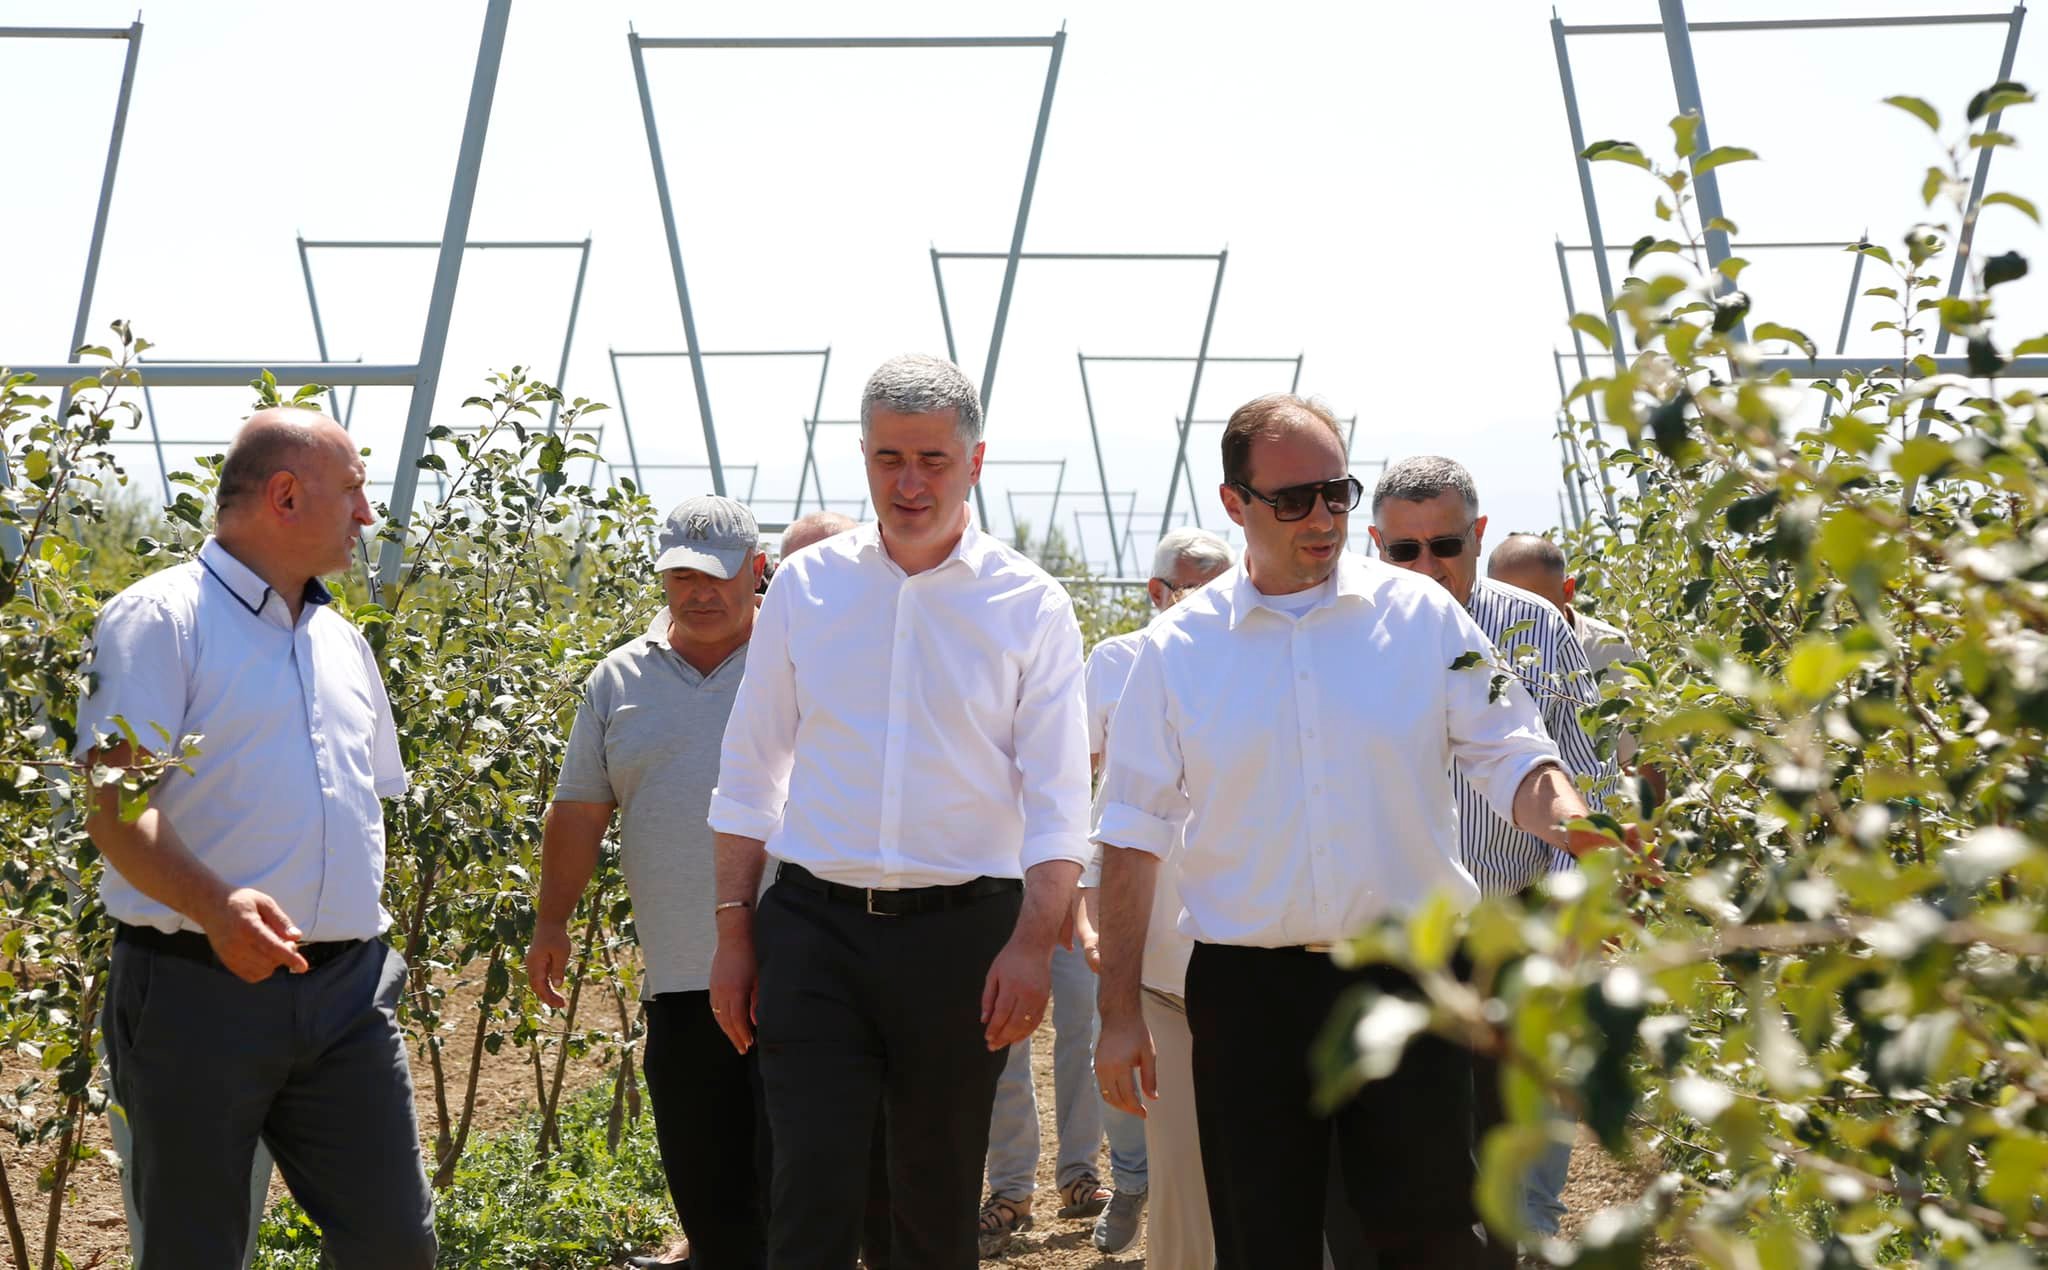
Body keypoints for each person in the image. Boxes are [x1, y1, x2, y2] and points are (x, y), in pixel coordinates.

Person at [1092, 394, 1633, 1270]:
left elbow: (1512, 755)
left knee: (1430, 1238)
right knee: (1264, 1243)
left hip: (1409, 984)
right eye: (1292, 500)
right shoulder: (1179, 649)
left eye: (1336, 494)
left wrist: (1574, 822)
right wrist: (1118, 1012)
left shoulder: (1425, 620)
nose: (1323, 518)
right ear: (1234, 503)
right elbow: (1131, 832)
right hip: (1249, 995)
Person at [707, 354, 1093, 1269]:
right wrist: (733, 932)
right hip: (815, 930)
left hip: (962, 941)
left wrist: (1031, 944)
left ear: (975, 461)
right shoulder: (806, 587)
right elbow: (750, 771)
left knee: (934, 1198)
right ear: (864, 456)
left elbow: (1057, 801)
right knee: (810, 1188)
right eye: (889, 458)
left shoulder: (1030, 604)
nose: (909, 483)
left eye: (932, 460)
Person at [78, 408, 434, 1268]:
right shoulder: (161, 619)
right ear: (285, 495)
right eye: (353, 491)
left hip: (346, 994)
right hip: (198, 990)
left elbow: (358, 802)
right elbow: (115, 808)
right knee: (195, 1249)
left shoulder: (341, 641)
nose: (367, 515)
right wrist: (217, 906)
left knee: (395, 1242)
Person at [1370, 465, 1616, 1243]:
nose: (1428, 565)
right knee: (1413, 1146)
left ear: (1477, 536)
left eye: (1445, 545)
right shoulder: (1353, 633)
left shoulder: (1533, 628)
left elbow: (1585, 770)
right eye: (1404, 550)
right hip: (1398, 930)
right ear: (1375, 544)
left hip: (1513, 921)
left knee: (1508, 1132)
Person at [525, 495, 771, 1270]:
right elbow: (579, 809)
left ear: (757, 570)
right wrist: (551, 921)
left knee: (799, 1201)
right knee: (709, 1195)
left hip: (801, 974)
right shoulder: (619, 678)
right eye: (681, 576)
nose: (699, 593)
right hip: (679, 980)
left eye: (717, 576)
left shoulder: (800, 665)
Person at [1070, 527, 1234, 1263]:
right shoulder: (1123, 664)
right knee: (1165, 1137)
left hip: (1248, 959)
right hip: (1160, 953)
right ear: (1158, 592)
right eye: (1193, 589)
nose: (1210, 603)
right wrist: (1086, 912)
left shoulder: (1261, 665)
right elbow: (1098, 804)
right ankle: (1131, 1183)